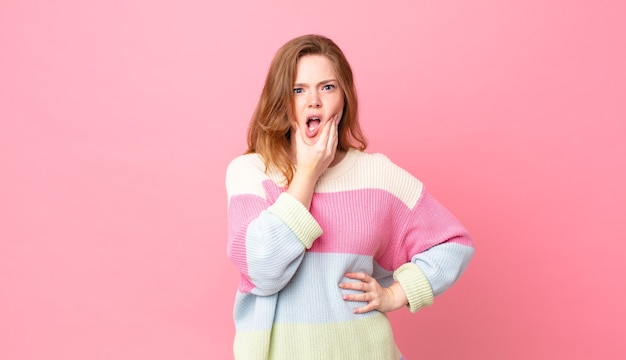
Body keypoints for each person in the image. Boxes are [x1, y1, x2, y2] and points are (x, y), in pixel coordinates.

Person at [226, 34, 474, 360]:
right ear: (281, 102)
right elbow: (265, 271)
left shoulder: (377, 174)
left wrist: (396, 294)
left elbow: (453, 244)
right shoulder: (251, 172)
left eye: (327, 87)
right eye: (298, 90)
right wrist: (308, 174)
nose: (313, 101)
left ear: (343, 99)